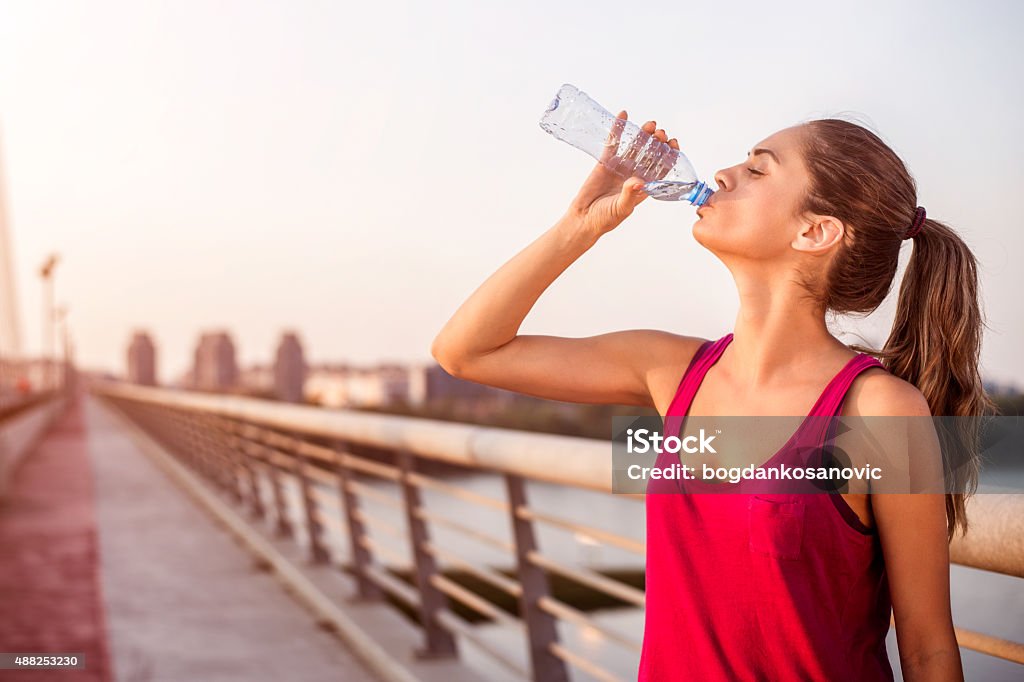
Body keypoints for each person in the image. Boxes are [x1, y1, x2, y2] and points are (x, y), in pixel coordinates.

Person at [431, 110, 992, 681]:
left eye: (756, 169)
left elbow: (926, 650)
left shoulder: (878, 411)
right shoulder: (672, 372)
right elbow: (466, 352)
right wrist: (579, 226)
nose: (723, 174)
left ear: (815, 231)